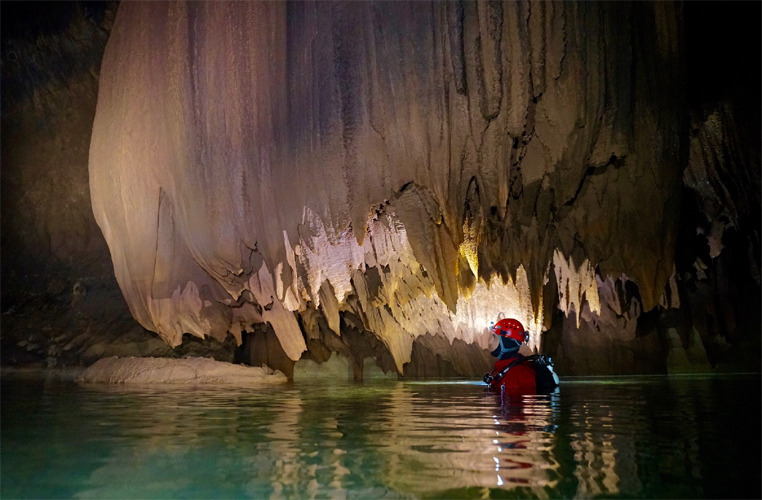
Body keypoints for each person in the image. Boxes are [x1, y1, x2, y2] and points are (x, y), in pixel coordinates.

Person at [483, 318, 559, 394]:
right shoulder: (502, 370)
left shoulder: (520, 374)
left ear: (507, 342)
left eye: (494, 337)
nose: (490, 341)